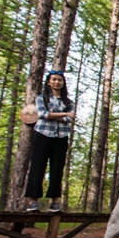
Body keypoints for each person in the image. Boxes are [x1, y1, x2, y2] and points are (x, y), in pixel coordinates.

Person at [24, 70, 75, 213]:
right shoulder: (42, 98)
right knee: (37, 167)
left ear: (63, 83)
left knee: (57, 169)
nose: (57, 82)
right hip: (42, 134)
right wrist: (64, 114)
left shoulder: (68, 102)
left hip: (61, 137)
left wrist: (54, 116)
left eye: (59, 80)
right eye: (54, 80)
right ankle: (33, 202)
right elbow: (42, 114)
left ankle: (55, 202)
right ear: (48, 82)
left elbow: (69, 119)